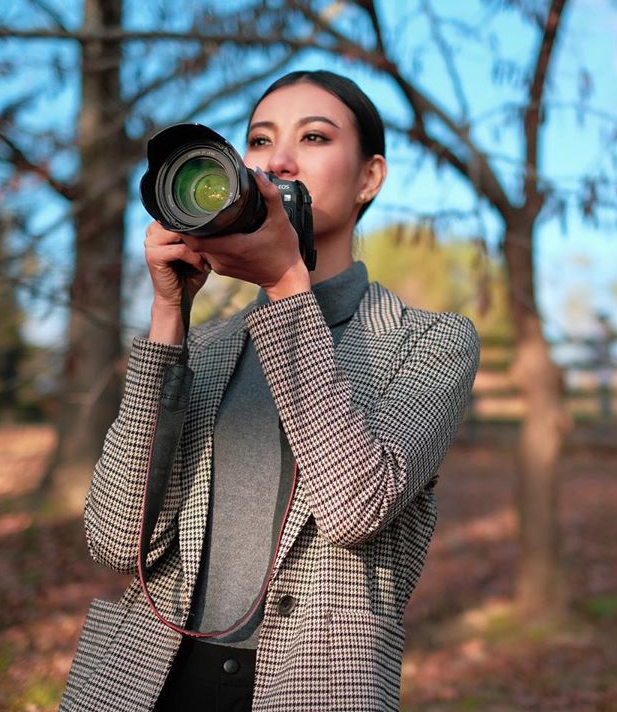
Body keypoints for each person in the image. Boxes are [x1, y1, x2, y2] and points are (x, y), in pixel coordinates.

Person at [59, 70, 481, 712]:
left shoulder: (430, 343)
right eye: (259, 140)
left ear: (370, 176)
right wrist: (169, 317)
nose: (277, 159)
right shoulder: (206, 347)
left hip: (315, 686)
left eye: (314, 137)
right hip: (147, 681)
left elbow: (356, 507)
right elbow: (116, 539)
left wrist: (287, 284)